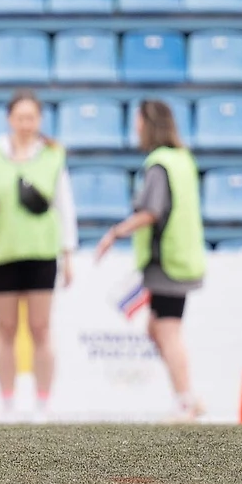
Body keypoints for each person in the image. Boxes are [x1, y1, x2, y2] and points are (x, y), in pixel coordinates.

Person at [93, 98, 208, 419]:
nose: (136, 127)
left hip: (167, 262)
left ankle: (186, 399)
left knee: (167, 331)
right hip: (181, 257)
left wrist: (115, 233)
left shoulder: (159, 163)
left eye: (139, 121)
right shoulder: (182, 159)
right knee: (157, 329)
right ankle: (186, 396)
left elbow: (151, 212)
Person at [0, 88, 76, 420]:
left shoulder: (52, 155)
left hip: (41, 253)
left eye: (31, 117)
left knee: (40, 328)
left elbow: (65, 205)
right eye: (20, 117)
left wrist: (68, 253)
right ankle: (7, 401)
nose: (26, 123)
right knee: (5, 329)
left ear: (39, 120)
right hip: (1, 252)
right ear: (9, 119)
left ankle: (43, 402)